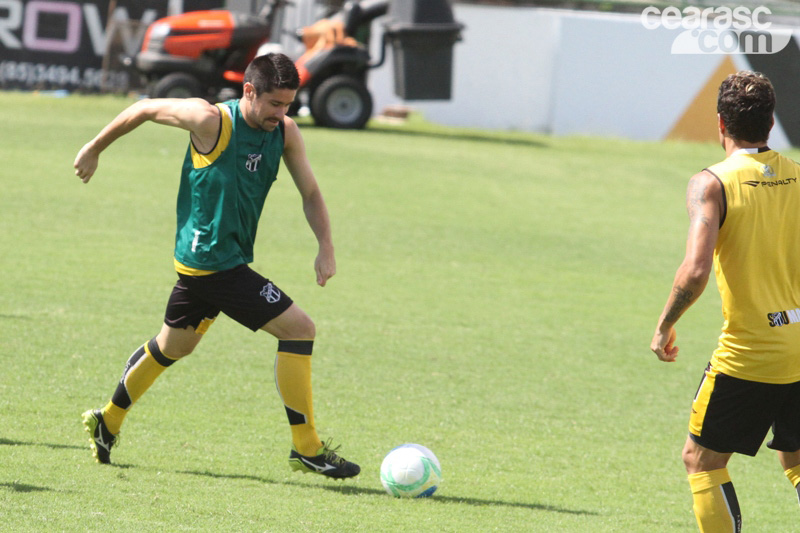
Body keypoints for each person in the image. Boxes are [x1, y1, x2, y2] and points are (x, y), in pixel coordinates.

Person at [74, 53, 359, 479]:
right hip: (213, 263)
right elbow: (144, 108)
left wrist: (326, 246)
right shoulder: (210, 121)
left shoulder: (285, 132)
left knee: (174, 346)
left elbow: (311, 192)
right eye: (275, 104)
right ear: (249, 91)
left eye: (288, 105)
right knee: (300, 329)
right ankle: (307, 447)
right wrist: (94, 148)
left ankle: (107, 420)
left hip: (214, 263)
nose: (282, 114)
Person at [651, 70, 800, 531]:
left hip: (750, 354)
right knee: (796, 456)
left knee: (702, 461)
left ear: (720, 123)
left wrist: (664, 324)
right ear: (771, 122)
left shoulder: (711, 183)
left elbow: (695, 271)